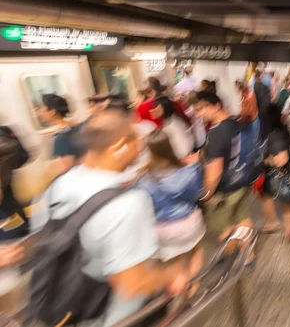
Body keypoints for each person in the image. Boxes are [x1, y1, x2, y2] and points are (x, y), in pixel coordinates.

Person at [30, 110, 189, 326]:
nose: (140, 148)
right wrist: (174, 272)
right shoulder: (128, 203)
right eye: (137, 141)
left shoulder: (57, 186)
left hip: (69, 306)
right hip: (115, 316)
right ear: (118, 146)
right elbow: (133, 284)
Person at [138, 130, 205, 291]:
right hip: (189, 223)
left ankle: (179, 286)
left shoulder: (143, 179)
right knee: (197, 250)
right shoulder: (186, 170)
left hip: (163, 229)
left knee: (177, 261)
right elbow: (197, 194)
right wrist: (195, 165)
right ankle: (191, 286)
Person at [193, 91, 254, 254]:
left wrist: (207, 195)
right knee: (243, 217)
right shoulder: (235, 121)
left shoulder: (216, 133)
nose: (199, 114)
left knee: (223, 226)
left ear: (217, 106)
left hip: (225, 188)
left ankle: (229, 256)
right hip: (242, 179)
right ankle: (248, 256)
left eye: (203, 108)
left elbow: (215, 172)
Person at [260, 104, 290, 239]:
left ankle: (276, 223)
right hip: (287, 172)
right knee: (286, 201)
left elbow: (282, 159)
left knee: (268, 196)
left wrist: (267, 161)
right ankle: (288, 229)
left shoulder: (274, 135)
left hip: (278, 174)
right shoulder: (283, 128)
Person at [149, 96, 194, 160]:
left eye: (154, 107)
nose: (151, 110)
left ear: (164, 108)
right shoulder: (169, 122)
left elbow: (184, 149)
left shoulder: (174, 125)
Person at [41, 94, 84, 159]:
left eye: (43, 110)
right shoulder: (74, 125)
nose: (41, 113)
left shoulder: (60, 137)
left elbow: (65, 163)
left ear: (52, 112)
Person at [253, 69, 271, 137]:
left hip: (261, 107)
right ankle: (266, 136)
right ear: (260, 76)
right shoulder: (265, 86)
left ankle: (263, 136)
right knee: (265, 122)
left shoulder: (255, 86)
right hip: (266, 107)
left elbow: (256, 98)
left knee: (261, 123)